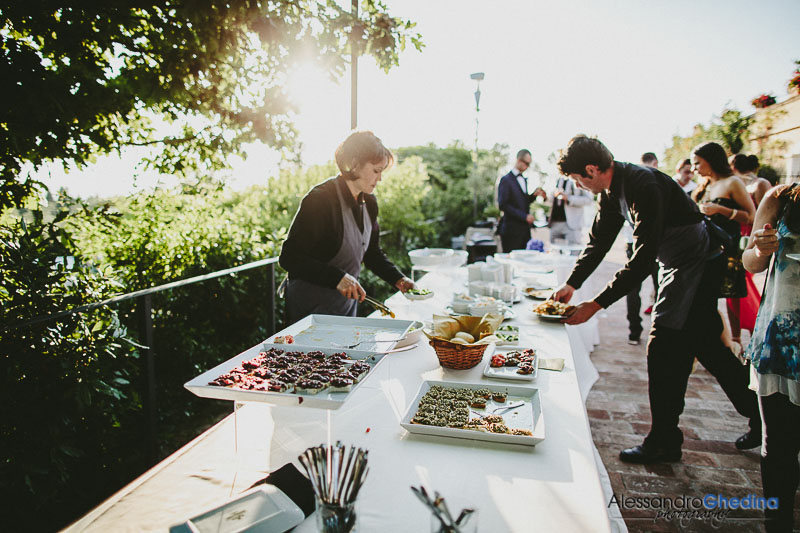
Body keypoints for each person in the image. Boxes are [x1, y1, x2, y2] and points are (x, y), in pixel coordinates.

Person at [552, 135, 760, 463]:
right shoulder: (609, 190)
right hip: (681, 264)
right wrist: (571, 284)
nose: (579, 184)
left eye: (578, 178)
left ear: (591, 169)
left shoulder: (641, 184)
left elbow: (643, 257)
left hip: (697, 264)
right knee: (706, 344)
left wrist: (595, 305)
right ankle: (761, 413)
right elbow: (599, 242)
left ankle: (664, 440)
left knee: (663, 346)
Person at [279, 131, 414, 323]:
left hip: (344, 310)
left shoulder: (370, 203)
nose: (380, 179)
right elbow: (289, 258)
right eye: (376, 171)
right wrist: (337, 278)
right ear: (355, 163)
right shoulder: (320, 200)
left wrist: (399, 280)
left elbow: (372, 253)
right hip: (309, 311)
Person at [742, 182, 800, 533]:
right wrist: (761, 249)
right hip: (783, 338)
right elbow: (750, 262)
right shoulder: (782, 197)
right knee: (778, 444)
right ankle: (775, 523)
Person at [692, 144, 757, 356]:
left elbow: (751, 215)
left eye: (697, 162)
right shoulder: (703, 185)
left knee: (729, 296)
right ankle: (713, 342)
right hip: (703, 248)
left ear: (711, 160)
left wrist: (721, 209)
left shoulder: (733, 182)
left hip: (727, 246)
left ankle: (733, 344)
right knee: (704, 296)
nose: (694, 168)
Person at [497, 149, 547, 252]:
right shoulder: (506, 180)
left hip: (524, 231)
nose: (527, 167)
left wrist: (534, 195)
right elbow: (503, 205)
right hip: (511, 231)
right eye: (527, 163)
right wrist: (524, 216)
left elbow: (522, 203)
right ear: (519, 160)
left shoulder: (523, 179)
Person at [548, 174, 593, 245]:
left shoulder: (580, 176)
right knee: (555, 252)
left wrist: (569, 198)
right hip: (555, 223)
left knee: (574, 252)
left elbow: (589, 199)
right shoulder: (556, 178)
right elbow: (550, 198)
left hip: (572, 224)